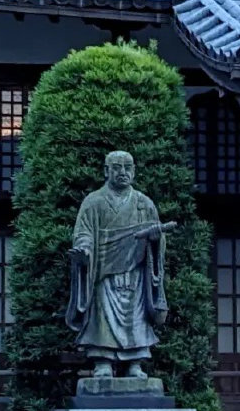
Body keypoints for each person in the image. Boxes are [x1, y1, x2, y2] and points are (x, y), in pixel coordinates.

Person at [66, 151, 174, 377]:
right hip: (104, 271)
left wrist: (156, 239)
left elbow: (157, 242)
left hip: (135, 272)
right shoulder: (94, 202)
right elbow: (84, 232)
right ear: (107, 171)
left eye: (127, 167)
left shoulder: (144, 203)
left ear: (134, 171)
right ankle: (103, 361)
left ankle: (135, 362)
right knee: (103, 315)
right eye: (117, 167)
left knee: (135, 316)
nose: (122, 172)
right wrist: (85, 249)